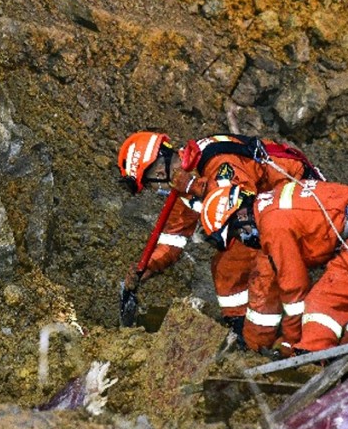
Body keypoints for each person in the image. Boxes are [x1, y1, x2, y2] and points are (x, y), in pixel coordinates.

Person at [117, 132, 322, 333]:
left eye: (151, 184)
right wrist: (146, 268)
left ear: (160, 171)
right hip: (271, 210)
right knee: (226, 266)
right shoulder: (185, 181)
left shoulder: (213, 159)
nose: (155, 190)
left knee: (253, 266)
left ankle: (266, 335)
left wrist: (193, 185)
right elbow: (174, 238)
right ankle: (242, 328)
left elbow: (240, 198)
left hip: (303, 200)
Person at [199, 180, 348, 355]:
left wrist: (294, 345)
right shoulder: (275, 199)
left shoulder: (273, 226)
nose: (244, 240)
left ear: (241, 216)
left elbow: (294, 289)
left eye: (238, 233)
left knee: (321, 305)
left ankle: (311, 360)